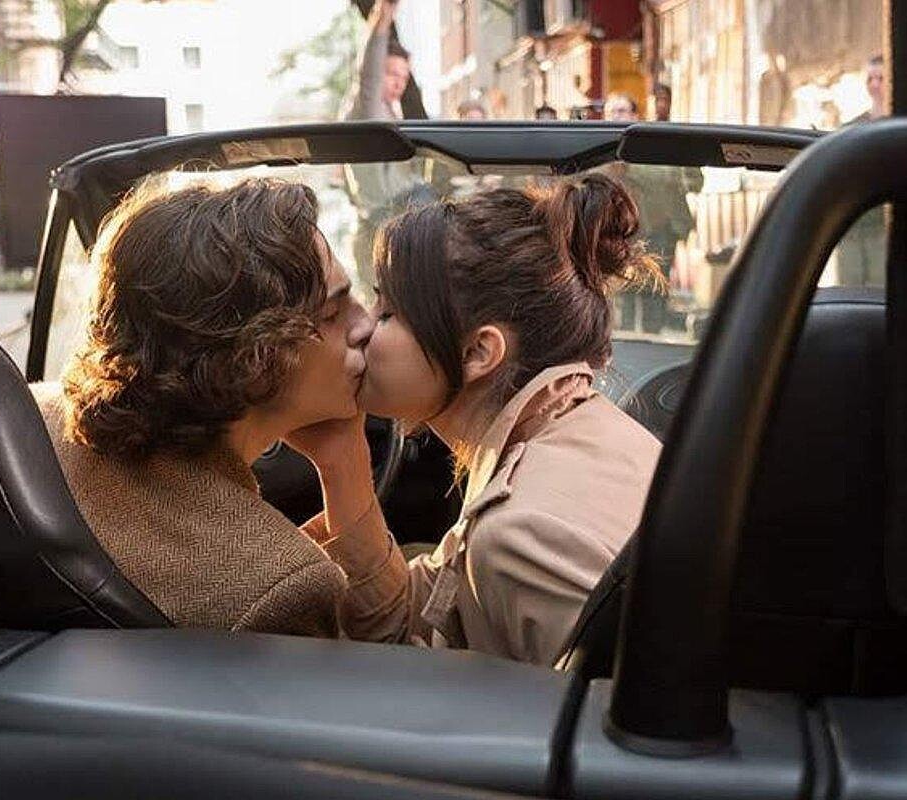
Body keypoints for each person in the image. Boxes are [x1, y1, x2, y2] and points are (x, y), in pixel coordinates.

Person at [299, 174, 664, 665]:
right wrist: (341, 459)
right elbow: (416, 615)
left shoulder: (516, 535)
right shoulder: (585, 428)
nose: (363, 325)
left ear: (478, 353)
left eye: (387, 313)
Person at [35, 177, 374, 636]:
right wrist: (348, 466)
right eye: (332, 314)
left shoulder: (27, 416)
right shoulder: (281, 588)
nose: (366, 323)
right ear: (256, 360)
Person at [340, 0, 426, 296]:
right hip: (376, 228)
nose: (399, 83)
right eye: (392, 74)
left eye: (404, 77)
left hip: (394, 226)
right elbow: (369, 73)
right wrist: (382, 18)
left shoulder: (392, 114)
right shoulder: (369, 108)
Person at [602, 92, 703, 333]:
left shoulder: (652, 146)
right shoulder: (599, 150)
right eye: (612, 112)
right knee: (623, 294)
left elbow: (677, 179)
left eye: (622, 111)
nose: (616, 116)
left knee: (655, 292)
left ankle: (651, 338)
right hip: (618, 233)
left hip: (657, 230)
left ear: (634, 115)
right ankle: (626, 340)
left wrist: (630, 171)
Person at [836, 55, 888, 287]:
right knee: (850, 290)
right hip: (854, 226)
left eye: (880, 78)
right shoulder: (851, 129)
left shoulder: (904, 125)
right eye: (870, 79)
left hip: (883, 228)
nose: (874, 85)